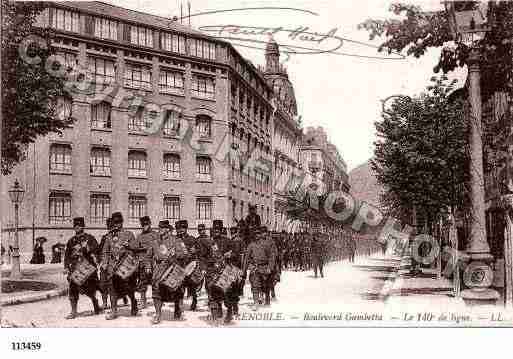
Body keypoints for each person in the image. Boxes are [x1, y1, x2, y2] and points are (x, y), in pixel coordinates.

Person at [146, 220, 189, 324]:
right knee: (156, 292)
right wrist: (148, 266)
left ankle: (177, 309)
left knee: (176, 291)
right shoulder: (155, 242)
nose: (160, 230)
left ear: (168, 230)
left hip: (173, 270)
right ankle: (158, 314)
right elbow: (148, 256)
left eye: (163, 228)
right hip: (158, 270)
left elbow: (185, 254)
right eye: (160, 228)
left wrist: (175, 255)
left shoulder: (176, 240)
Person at [99, 212, 139, 320]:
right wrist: (105, 262)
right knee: (112, 289)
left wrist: (129, 245)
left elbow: (136, 248)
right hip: (113, 267)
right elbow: (105, 251)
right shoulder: (109, 236)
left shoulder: (128, 234)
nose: (117, 224)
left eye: (119, 222)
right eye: (115, 222)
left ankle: (133, 303)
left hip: (125, 267)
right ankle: (114, 311)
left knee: (129, 288)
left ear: (122, 222)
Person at [63, 217, 101, 319]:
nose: (77, 228)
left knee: (89, 290)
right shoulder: (71, 241)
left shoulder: (90, 238)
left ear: (83, 226)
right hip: (75, 268)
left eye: (79, 226)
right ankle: (73, 311)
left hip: (87, 267)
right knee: (72, 289)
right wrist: (66, 267)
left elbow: (97, 249)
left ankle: (94, 301)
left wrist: (87, 248)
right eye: (75, 226)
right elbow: (67, 255)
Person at [243, 226, 277, 310]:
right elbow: (246, 258)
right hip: (255, 267)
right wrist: (244, 270)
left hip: (265, 267)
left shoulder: (266, 244)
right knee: (255, 285)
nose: (257, 235)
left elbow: (271, 257)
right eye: (255, 234)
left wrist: (270, 267)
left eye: (258, 233)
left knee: (266, 285)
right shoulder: (251, 245)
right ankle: (256, 302)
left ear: (260, 234)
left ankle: (267, 298)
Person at [176, 219, 202, 311]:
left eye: (183, 228)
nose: (181, 230)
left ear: (186, 228)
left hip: (190, 265)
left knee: (192, 285)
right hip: (179, 266)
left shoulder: (192, 239)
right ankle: (179, 303)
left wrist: (196, 250)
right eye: (178, 228)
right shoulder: (175, 239)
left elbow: (200, 250)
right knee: (179, 286)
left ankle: (194, 301)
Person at [134, 216, 158, 309]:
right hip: (143, 262)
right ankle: (143, 302)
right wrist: (141, 249)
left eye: (146, 224)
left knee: (155, 282)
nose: (145, 226)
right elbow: (135, 247)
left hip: (154, 263)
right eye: (143, 225)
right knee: (142, 282)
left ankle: (157, 300)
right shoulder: (139, 236)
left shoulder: (155, 235)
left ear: (150, 224)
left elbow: (160, 247)